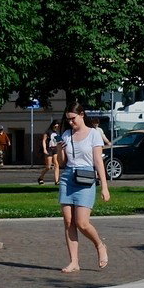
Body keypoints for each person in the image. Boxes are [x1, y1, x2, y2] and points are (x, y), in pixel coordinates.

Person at [56, 106, 110, 272]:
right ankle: (74, 262)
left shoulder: (94, 134)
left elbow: (98, 162)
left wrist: (105, 187)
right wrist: (59, 149)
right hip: (68, 177)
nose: (71, 122)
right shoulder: (67, 134)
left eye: (73, 118)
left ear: (81, 115)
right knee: (68, 221)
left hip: (86, 178)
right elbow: (62, 161)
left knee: (82, 222)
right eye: (68, 119)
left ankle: (100, 245)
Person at [37, 120, 63, 186]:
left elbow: (59, 141)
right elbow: (44, 140)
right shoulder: (48, 132)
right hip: (49, 149)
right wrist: (45, 149)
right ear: (53, 125)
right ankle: (40, 178)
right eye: (55, 125)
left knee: (56, 164)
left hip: (55, 149)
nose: (56, 127)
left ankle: (57, 181)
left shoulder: (56, 133)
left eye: (57, 126)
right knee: (48, 166)